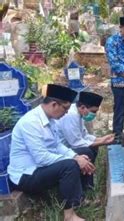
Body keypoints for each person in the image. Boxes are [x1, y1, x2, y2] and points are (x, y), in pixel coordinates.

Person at [8, 84, 95, 221]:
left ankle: (80, 197)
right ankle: (69, 216)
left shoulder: (50, 119)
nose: (66, 112)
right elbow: (41, 158)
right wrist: (74, 160)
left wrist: (76, 156)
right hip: (26, 175)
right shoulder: (30, 123)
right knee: (70, 166)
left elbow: (58, 145)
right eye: (65, 108)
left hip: (41, 168)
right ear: (54, 104)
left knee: (84, 152)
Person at [56, 91, 115, 187]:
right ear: (83, 107)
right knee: (86, 151)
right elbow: (76, 143)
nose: (94, 115)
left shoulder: (79, 114)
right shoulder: (71, 115)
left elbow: (84, 135)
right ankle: (86, 184)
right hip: (63, 149)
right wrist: (101, 142)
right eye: (93, 111)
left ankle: (88, 180)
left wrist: (101, 139)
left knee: (91, 148)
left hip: (69, 146)